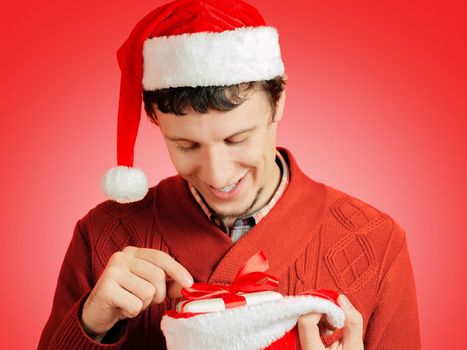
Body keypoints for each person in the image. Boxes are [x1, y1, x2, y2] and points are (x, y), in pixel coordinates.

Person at [38, 0, 421, 349]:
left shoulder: (376, 241)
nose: (217, 174)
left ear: (279, 100)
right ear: (156, 123)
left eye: (237, 139)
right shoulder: (104, 236)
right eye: (186, 146)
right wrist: (92, 323)